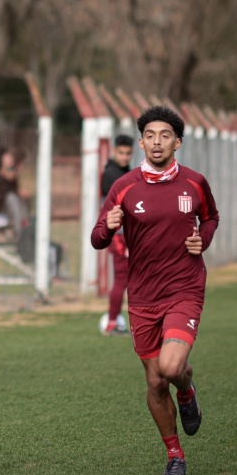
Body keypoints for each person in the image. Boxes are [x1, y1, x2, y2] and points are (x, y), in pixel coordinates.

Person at [91, 106, 218, 475]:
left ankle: (186, 389)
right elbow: (97, 237)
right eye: (150, 134)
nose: (157, 141)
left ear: (177, 142)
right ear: (142, 141)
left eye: (165, 135)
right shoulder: (123, 186)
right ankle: (174, 455)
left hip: (184, 287)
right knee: (154, 381)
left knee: (171, 367)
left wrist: (203, 240)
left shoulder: (194, 183)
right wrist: (108, 226)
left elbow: (210, 217)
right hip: (143, 295)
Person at [99, 134, 134, 336]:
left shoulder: (124, 172)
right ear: (114, 152)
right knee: (122, 278)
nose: (124, 157)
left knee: (133, 279)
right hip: (120, 235)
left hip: (128, 233)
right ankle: (112, 322)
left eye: (128, 153)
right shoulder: (111, 174)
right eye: (121, 152)